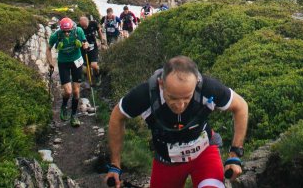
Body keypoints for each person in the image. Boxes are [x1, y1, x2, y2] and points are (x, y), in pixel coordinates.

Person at [106, 56, 248, 188]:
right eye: (172, 97)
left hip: (204, 154)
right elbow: (117, 116)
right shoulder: (145, 95)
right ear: (161, 84)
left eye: (187, 97)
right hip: (167, 160)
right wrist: (115, 165)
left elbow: (241, 106)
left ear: (196, 84)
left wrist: (235, 154)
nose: (180, 105)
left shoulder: (208, 88)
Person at [46, 17, 88, 127]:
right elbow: (48, 49)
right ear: (61, 30)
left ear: (72, 28)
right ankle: (64, 105)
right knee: (68, 91)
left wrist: (85, 45)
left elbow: (85, 42)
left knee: (76, 91)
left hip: (76, 61)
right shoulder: (56, 35)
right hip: (63, 62)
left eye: (69, 31)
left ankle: (74, 116)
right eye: (65, 32)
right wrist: (50, 62)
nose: (67, 34)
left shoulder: (78, 30)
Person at [78, 15, 104, 85]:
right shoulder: (78, 27)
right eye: (82, 26)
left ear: (88, 21)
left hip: (93, 47)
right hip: (83, 49)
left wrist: (102, 42)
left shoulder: (93, 24)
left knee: (94, 65)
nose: (84, 27)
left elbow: (99, 31)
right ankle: (89, 81)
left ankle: (98, 75)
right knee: (86, 68)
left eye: (85, 26)